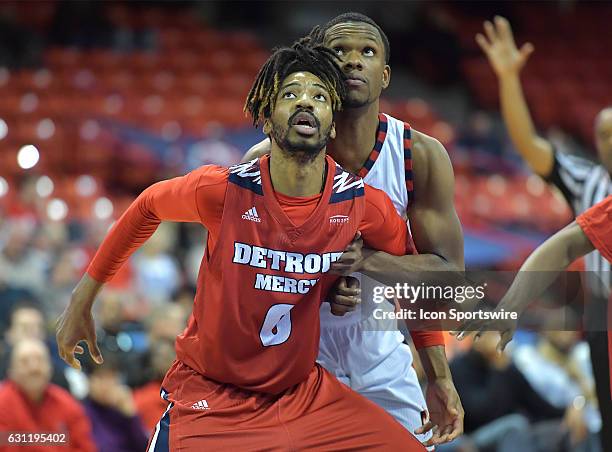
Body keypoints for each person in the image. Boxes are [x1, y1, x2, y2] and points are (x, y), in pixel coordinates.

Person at [56, 42, 426, 450]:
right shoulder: (224, 189)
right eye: (290, 94)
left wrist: (358, 271)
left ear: (332, 124)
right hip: (214, 397)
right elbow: (146, 207)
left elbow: (409, 267)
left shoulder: (358, 201)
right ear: (267, 120)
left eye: (319, 96)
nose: (306, 102)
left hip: (301, 397)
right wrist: (82, 299)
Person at [242, 12, 464, 447]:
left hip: (380, 356)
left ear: (385, 76)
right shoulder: (268, 161)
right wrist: (319, 283)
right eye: (338, 52)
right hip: (293, 357)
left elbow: (447, 277)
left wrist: (438, 374)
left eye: (366, 52)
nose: (352, 61)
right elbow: (241, 274)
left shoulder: (419, 155)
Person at [476, 16, 612, 449]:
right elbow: (530, 145)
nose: (611, 140)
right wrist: (510, 79)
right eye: (604, 133)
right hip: (602, 317)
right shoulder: (589, 182)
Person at [457, 195, 612, 448]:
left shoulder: (577, 357)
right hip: (489, 433)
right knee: (516, 426)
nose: (566, 334)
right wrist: (508, 311)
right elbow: (484, 413)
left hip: (568, 424)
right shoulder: (471, 366)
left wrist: (577, 405)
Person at [0, 338, 95, 452]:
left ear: (50, 368)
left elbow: (85, 447)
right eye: (24, 362)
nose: (34, 368)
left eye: (40, 360)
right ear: (11, 371)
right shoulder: (2, 403)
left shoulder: (68, 404)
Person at [81, 352, 149, 452]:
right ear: (88, 379)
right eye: (100, 377)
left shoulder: (123, 410)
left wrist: (131, 416)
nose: (106, 385)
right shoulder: (81, 411)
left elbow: (145, 447)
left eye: (111, 378)